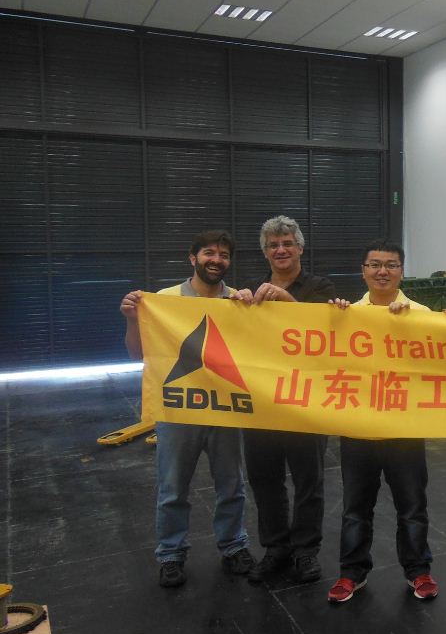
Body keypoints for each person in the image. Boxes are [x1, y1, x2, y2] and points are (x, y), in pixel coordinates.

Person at [119, 230, 255, 588]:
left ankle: (234, 545)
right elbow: (137, 354)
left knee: (232, 485)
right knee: (173, 488)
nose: (216, 260)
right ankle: (171, 554)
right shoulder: (165, 301)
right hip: (178, 411)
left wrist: (254, 310)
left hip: (225, 409)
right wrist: (132, 318)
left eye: (224, 254)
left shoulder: (238, 301)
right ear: (192, 258)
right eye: (209, 253)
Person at [324, 240, 439, 604]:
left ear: (402, 272)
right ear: (363, 271)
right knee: (355, 508)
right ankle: (351, 573)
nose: (382, 271)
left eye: (390, 265)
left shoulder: (421, 314)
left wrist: (412, 326)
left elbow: (439, 363)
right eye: (374, 264)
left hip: (405, 428)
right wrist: (333, 319)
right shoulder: (346, 314)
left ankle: (418, 570)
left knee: (412, 506)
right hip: (359, 427)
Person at [230, 215, 335, 585]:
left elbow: (324, 332)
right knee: (264, 479)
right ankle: (276, 548)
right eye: (273, 245)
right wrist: (237, 304)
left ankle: (306, 551)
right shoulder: (250, 290)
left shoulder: (321, 287)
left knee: (309, 480)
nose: (281, 250)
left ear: (300, 248)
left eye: (287, 243)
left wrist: (286, 299)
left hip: (306, 401)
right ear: (265, 252)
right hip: (262, 402)